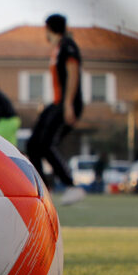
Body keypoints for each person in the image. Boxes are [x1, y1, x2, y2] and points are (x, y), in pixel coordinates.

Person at [27, 14, 85, 206]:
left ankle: (72, 186)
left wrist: (68, 104)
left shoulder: (68, 45)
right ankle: (43, 191)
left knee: (46, 144)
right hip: (57, 103)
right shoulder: (58, 48)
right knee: (33, 144)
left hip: (66, 103)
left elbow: (73, 73)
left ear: (48, 28)